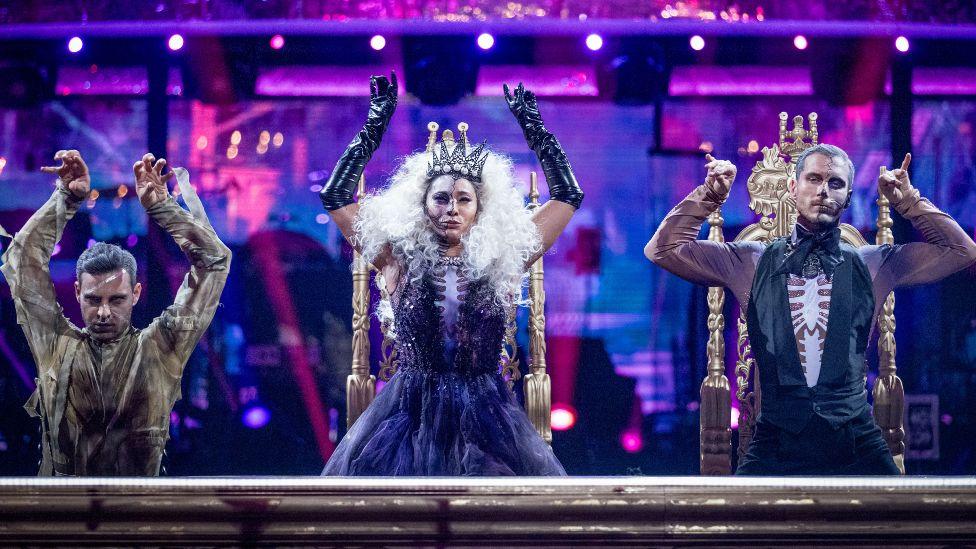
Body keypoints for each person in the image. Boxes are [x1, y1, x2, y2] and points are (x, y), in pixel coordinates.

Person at [645, 145, 976, 475]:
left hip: (856, 441)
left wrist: (909, 201)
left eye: (835, 183)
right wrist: (709, 195)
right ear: (793, 187)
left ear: (847, 198)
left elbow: (961, 251)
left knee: (911, 522)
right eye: (814, 178)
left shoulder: (873, 263)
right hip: (776, 443)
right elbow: (662, 249)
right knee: (738, 524)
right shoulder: (751, 261)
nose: (823, 190)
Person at [318, 74, 581, 476]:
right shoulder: (396, 260)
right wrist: (374, 127)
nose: (452, 209)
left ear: (480, 208)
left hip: (488, 418)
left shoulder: (503, 260)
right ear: (422, 206)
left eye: (463, 199)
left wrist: (536, 131)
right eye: (440, 198)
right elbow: (335, 196)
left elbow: (567, 196)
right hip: (409, 415)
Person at [0, 150, 231, 476]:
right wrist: (64, 199)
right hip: (63, 519)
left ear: (136, 294)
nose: (104, 312)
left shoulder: (159, 349)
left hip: (137, 520)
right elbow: (20, 262)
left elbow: (214, 261)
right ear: (78, 293)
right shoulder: (54, 344)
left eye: (117, 299)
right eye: (94, 300)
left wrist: (163, 209)